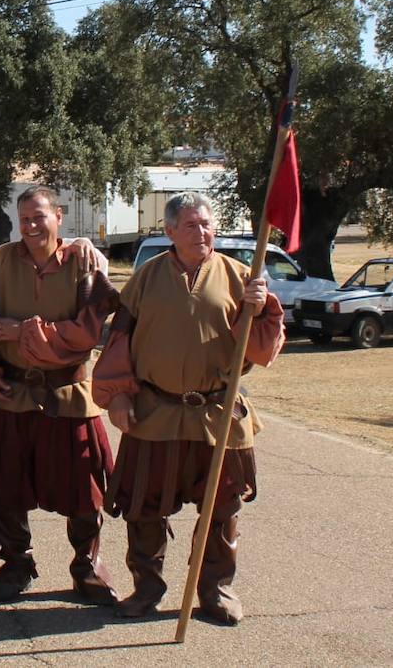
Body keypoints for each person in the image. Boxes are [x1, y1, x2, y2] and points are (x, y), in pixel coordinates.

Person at [92, 191, 284, 626]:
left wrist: (258, 311)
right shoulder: (146, 277)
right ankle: (146, 590)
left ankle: (215, 592)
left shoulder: (241, 276)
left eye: (207, 224)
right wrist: (118, 393)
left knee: (221, 510)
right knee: (143, 508)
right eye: (192, 225)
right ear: (170, 231)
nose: (202, 232)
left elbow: (258, 351)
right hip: (156, 411)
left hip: (218, 414)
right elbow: (119, 339)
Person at [0, 186, 119, 604]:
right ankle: (17, 562)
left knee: (84, 491)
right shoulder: (2, 261)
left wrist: (23, 330)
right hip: (12, 392)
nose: (31, 226)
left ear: (59, 216)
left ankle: (87, 567)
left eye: (39, 217)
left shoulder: (83, 261)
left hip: (68, 393)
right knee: (5, 489)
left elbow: (87, 334)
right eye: (24, 219)